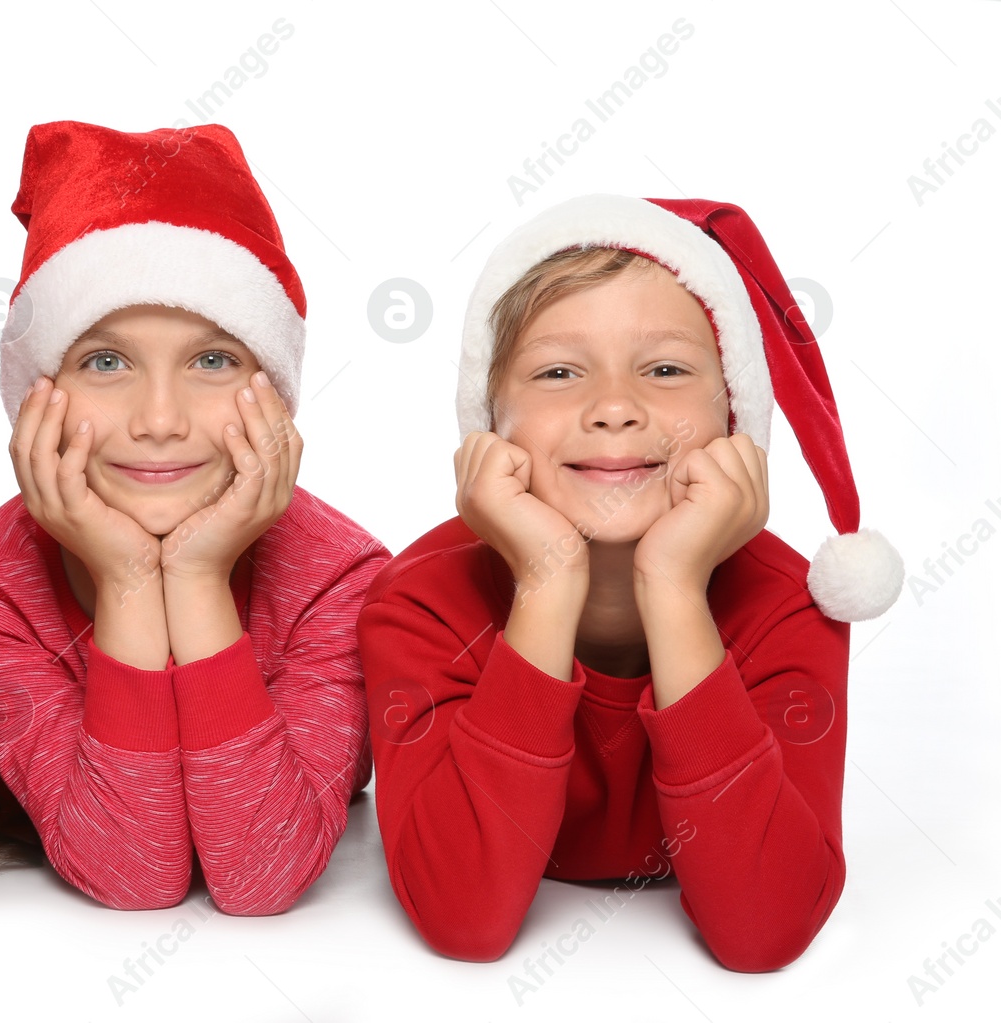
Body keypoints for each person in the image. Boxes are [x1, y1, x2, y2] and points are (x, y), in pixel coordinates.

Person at [358, 195, 902, 971]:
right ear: (488, 425)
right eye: (557, 371)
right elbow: (463, 917)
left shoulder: (792, 602)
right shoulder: (418, 606)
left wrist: (675, 587)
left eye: (667, 369)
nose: (614, 407)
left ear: (736, 420)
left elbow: (764, 930)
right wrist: (546, 584)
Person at [0, 120, 390, 915]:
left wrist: (194, 573)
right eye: (105, 360)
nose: (160, 419)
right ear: (34, 396)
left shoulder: (341, 575)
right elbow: (134, 873)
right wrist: (126, 579)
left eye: (213, 360)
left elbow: (261, 877)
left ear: (277, 394)